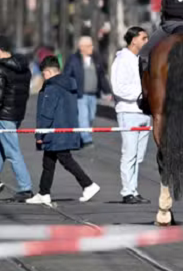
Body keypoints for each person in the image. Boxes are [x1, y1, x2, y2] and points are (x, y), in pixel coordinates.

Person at [27, 56, 100, 205]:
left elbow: (46, 112)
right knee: (48, 161)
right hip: (66, 128)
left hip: (55, 131)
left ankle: (88, 184)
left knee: (66, 159)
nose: (43, 77)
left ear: (48, 72)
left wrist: (40, 133)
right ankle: (43, 192)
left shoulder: (51, 87)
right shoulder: (70, 85)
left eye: (43, 74)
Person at [110, 27, 151, 204]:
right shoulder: (121, 60)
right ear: (134, 40)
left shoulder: (141, 59)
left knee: (139, 155)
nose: (146, 41)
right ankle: (127, 191)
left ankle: (133, 189)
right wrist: (142, 93)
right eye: (144, 38)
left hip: (144, 112)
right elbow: (118, 88)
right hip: (128, 111)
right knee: (129, 153)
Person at [0, 36, 34, 201]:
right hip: (16, 114)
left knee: (12, 151)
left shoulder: (0, 69)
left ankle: (25, 187)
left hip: (3, 115)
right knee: (1, 149)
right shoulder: (23, 67)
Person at [64, 36, 112, 147]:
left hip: (93, 94)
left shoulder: (96, 59)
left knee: (90, 117)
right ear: (82, 48)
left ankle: (82, 135)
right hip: (80, 95)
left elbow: (101, 76)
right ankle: (86, 139)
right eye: (89, 46)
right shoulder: (73, 60)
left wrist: (108, 91)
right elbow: (67, 76)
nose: (92, 48)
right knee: (83, 116)